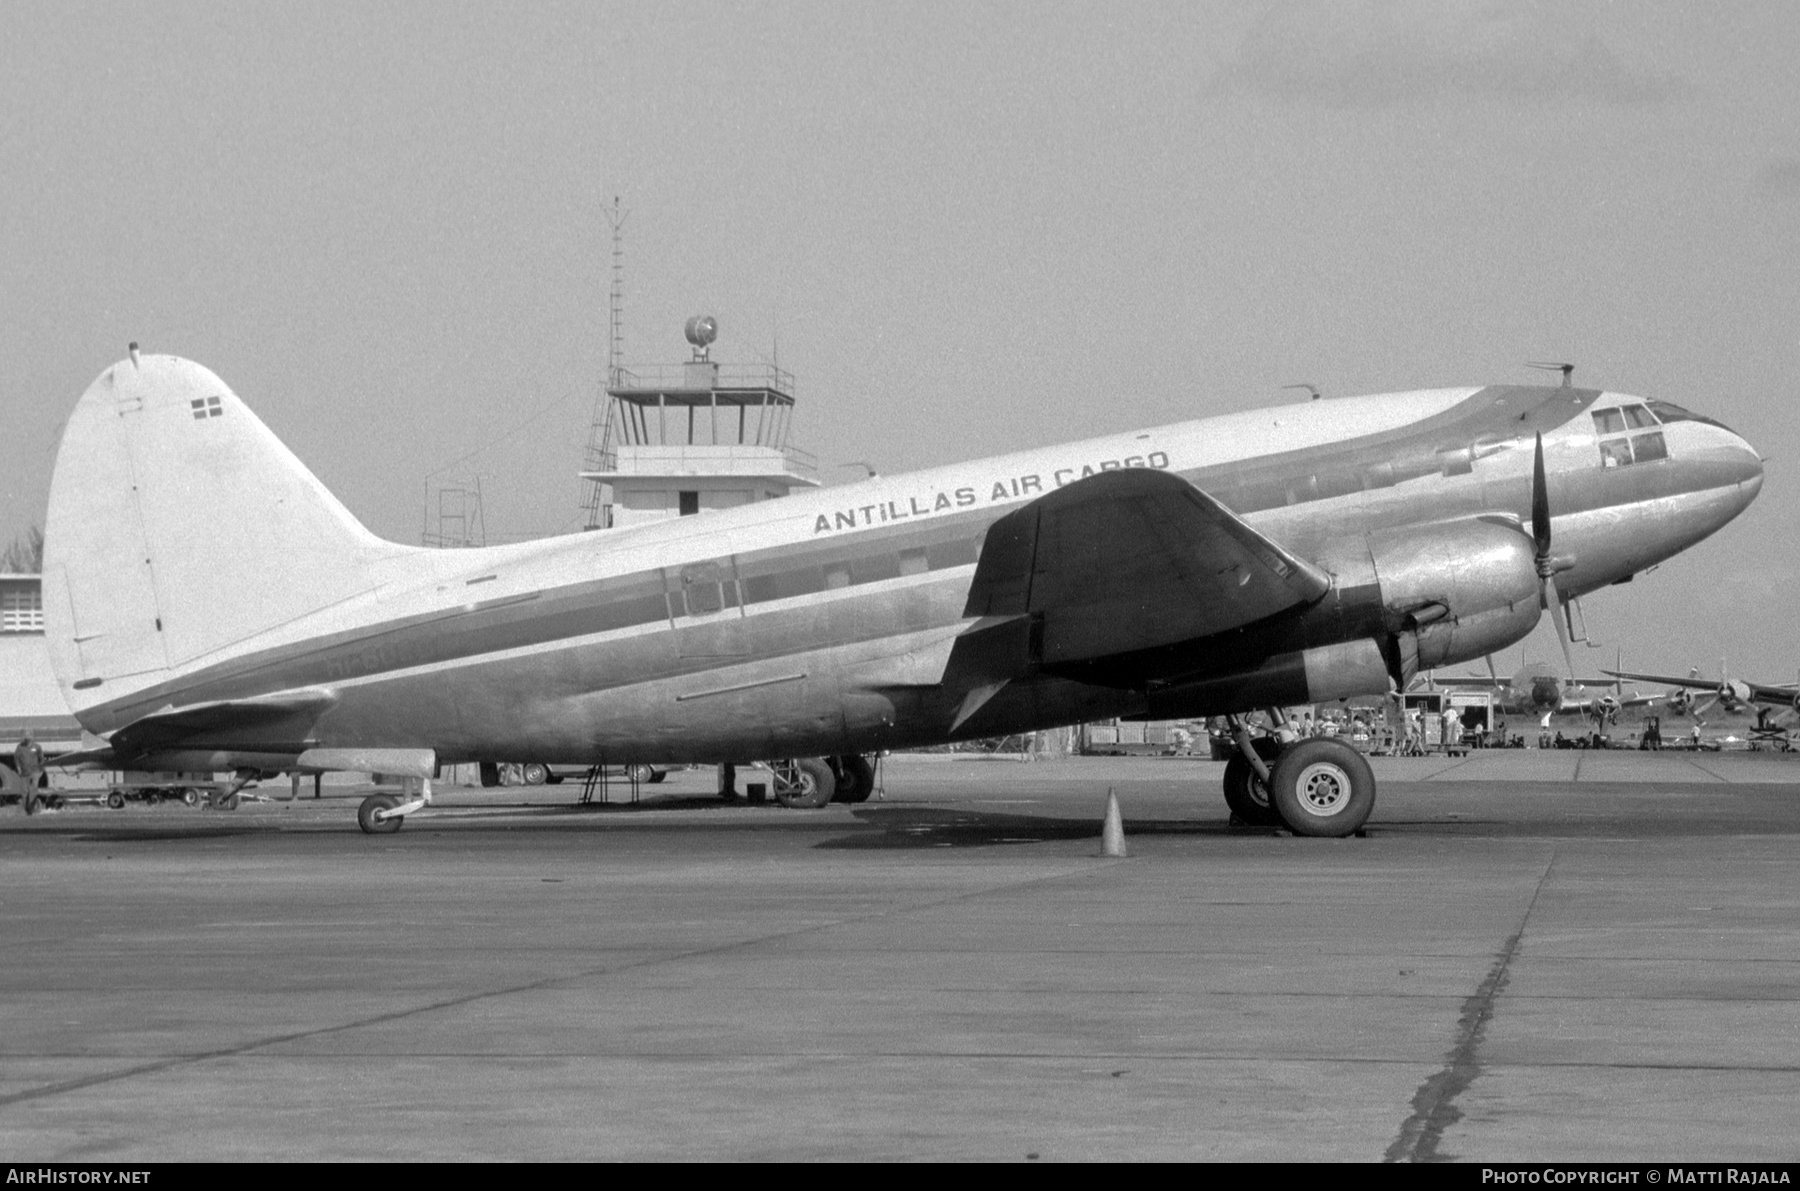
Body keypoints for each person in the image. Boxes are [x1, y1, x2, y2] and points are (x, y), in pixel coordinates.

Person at [15, 731, 45, 816]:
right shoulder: (20, 747)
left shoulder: (37, 747)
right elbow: (16, 758)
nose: (28, 738)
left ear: (32, 737)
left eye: (29, 736)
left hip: (35, 772)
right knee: (24, 792)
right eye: (26, 736)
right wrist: (18, 768)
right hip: (24, 773)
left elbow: (41, 759)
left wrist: (41, 771)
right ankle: (27, 810)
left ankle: (31, 809)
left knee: (33, 790)